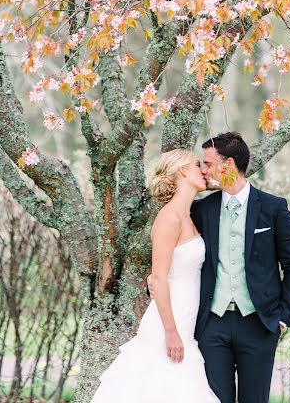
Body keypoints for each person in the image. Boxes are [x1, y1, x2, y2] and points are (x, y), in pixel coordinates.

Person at [150, 131, 290, 403]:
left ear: (229, 165)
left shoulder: (273, 208)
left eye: (208, 164)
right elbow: (176, 255)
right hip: (212, 327)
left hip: (259, 325)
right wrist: (156, 284)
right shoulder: (201, 210)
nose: (204, 170)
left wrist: (281, 318)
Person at [90, 148, 220, 403]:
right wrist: (171, 332)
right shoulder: (169, 218)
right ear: (183, 170)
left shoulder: (188, 217)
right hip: (168, 324)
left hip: (186, 322)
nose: (204, 170)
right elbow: (158, 278)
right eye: (198, 165)